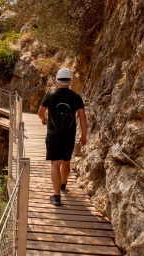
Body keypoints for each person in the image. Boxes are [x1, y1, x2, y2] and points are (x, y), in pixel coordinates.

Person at [38, 67, 87, 206]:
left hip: (53, 134)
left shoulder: (50, 95)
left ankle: (56, 196)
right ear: (70, 81)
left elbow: (40, 112)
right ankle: (63, 184)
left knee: (55, 163)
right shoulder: (76, 97)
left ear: (57, 80)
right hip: (69, 135)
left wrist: (44, 119)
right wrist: (83, 135)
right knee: (66, 160)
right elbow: (82, 117)